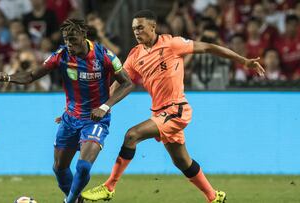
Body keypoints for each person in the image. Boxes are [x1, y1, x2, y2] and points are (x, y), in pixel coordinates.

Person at [81, 10, 265, 203]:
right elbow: (120, 83)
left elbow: (209, 47)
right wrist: (100, 106)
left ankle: (109, 187)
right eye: (134, 28)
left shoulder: (172, 44)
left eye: (141, 27)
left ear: (153, 27)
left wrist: (244, 61)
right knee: (182, 161)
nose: (137, 32)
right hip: (160, 112)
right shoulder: (135, 55)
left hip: (176, 109)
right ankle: (213, 196)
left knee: (131, 135)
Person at [0, 19, 133, 203]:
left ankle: (70, 201)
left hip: (95, 119)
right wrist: (8, 77)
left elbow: (127, 83)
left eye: (73, 40)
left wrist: (104, 107)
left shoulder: (104, 55)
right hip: (70, 119)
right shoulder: (61, 55)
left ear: (84, 36)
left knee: (83, 167)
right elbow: (31, 75)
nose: (69, 44)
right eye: (66, 39)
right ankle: (76, 200)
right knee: (59, 168)